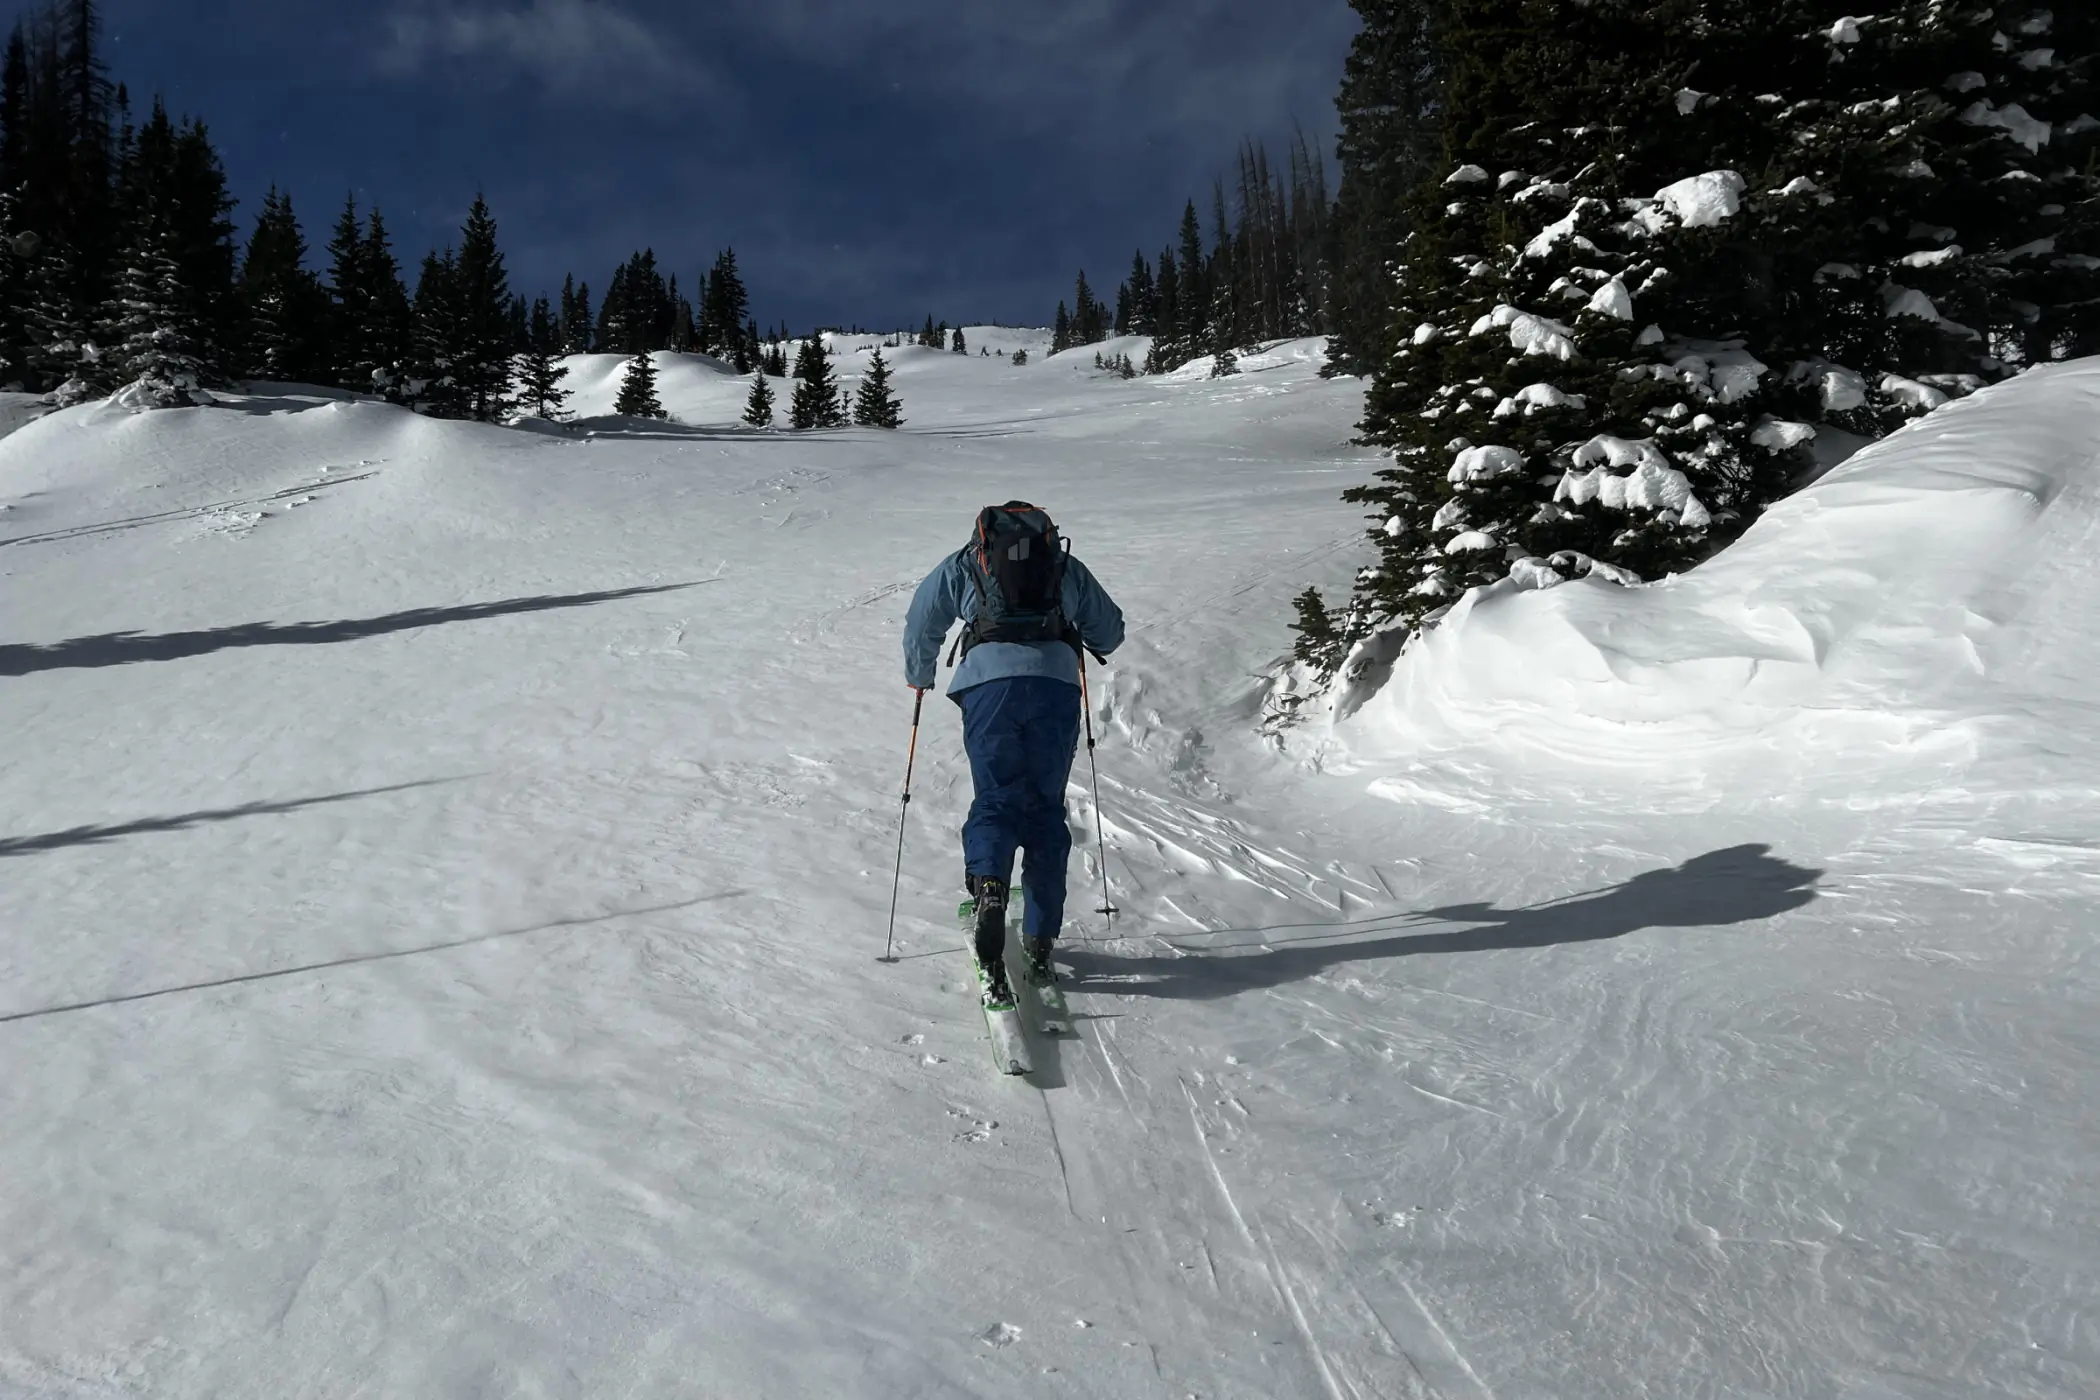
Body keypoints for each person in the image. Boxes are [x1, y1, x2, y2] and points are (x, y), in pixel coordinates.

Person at [903, 501, 1125, 1004]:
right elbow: (1109, 631)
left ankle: (989, 888)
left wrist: (921, 675)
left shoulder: (965, 564)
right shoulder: (1064, 566)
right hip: (1055, 685)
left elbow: (923, 619)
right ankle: (1041, 938)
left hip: (988, 687)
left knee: (998, 796)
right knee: (1044, 808)